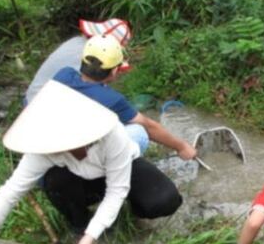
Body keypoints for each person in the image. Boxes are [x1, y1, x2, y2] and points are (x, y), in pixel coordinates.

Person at [0, 80, 182, 244]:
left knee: (165, 199)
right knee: (55, 181)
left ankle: (127, 212)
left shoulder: (112, 135)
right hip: (78, 180)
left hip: (120, 168)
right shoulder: (43, 147)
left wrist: (91, 237)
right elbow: (12, 189)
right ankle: (79, 222)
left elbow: (116, 190)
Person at [26, 18, 196, 160]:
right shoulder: (110, 99)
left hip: (33, 111)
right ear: (114, 69)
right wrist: (182, 147)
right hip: (63, 145)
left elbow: (86, 86)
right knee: (138, 132)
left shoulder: (69, 67)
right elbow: (148, 126)